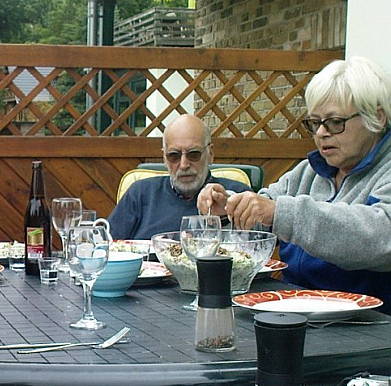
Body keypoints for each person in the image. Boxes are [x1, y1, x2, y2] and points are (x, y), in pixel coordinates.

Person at [198, 56, 391, 313]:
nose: (321, 133)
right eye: (315, 123)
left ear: (376, 118)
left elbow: (381, 237)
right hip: (291, 310)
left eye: (335, 122)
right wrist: (229, 208)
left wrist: (281, 213)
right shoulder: (309, 171)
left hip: (370, 325)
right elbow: (267, 212)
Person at [108, 114, 251, 239]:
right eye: (174, 156)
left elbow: (255, 251)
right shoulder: (140, 193)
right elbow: (106, 247)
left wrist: (225, 216)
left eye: (193, 154)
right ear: (164, 158)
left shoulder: (237, 195)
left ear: (210, 154)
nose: (184, 165)